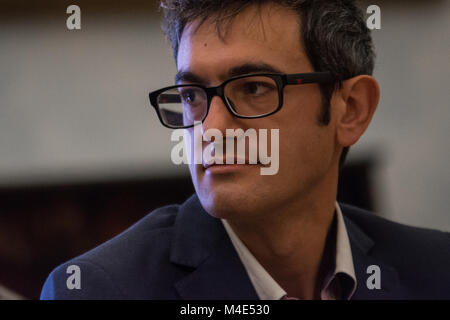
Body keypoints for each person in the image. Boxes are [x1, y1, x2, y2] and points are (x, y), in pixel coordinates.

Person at [41, 0, 450, 300]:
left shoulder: (436, 269)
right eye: (192, 95)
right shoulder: (99, 289)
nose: (211, 130)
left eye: (253, 88)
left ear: (351, 110)